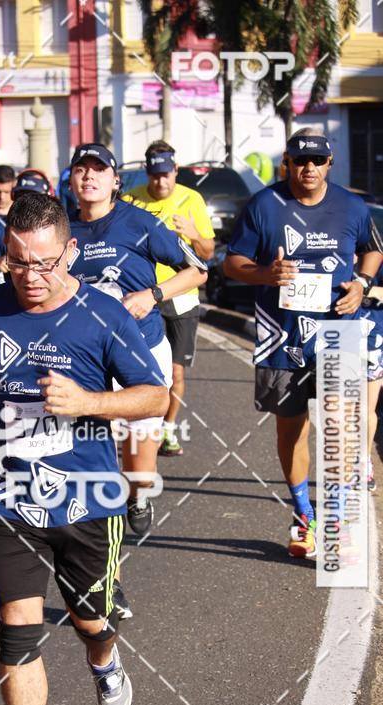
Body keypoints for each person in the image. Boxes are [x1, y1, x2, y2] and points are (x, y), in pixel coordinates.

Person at [0, 192, 168, 705]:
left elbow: (153, 396)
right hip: (9, 493)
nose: (32, 278)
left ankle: (104, 660)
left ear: (69, 252)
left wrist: (91, 403)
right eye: (18, 264)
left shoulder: (102, 313)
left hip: (89, 497)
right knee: (17, 631)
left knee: (90, 621)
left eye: (45, 263)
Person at [224, 129, 383, 558]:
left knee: (341, 428)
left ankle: (339, 521)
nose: (308, 168)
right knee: (291, 428)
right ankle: (304, 515)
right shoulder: (264, 205)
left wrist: (362, 284)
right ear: (287, 164)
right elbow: (231, 261)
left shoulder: (351, 205)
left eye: (316, 161)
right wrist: (265, 275)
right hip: (282, 333)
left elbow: (373, 250)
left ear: (330, 164)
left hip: (340, 329)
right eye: (299, 161)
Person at [67, 142, 207, 537]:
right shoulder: (60, 228)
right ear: (72, 179)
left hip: (143, 350)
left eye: (99, 170)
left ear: (115, 181)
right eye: (81, 170)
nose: (89, 176)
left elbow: (198, 271)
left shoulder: (139, 222)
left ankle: (138, 494)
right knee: (95, 448)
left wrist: (153, 295)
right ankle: (98, 521)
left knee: (140, 463)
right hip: (88, 357)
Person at [122, 141, 215, 456]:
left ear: (176, 170)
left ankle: (168, 429)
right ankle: (135, 427)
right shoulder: (130, 200)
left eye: (166, 174)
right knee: (134, 367)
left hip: (181, 294)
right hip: (139, 295)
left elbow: (207, 255)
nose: (161, 182)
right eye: (154, 175)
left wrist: (194, 233)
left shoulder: (193, 199)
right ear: (147, 173)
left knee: (175, 372)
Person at [363, 260, 383, 491]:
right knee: (337, 411)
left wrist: (365, 288)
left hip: (372, 337)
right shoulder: (337, 245)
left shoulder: (378, 256)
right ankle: (340, 467)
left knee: (366, 408)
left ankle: (363, 461)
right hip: (336, 333)